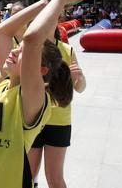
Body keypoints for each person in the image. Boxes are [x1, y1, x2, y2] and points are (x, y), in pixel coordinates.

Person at [0, 0, 95, 188]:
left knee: (54, 177)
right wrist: (46, 2)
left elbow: (33, 38)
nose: (15, 51)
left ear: (41, 70)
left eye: (24, 51)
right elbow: (5, 31)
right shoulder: (3, 83)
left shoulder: (33, 101)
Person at [28, 27, 87, 188]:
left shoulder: (67, 50)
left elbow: (80, 88)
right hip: (34, 119)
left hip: (59, 121)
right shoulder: (30, 49)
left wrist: (79, 78)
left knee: (54, 177)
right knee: (29, 174)